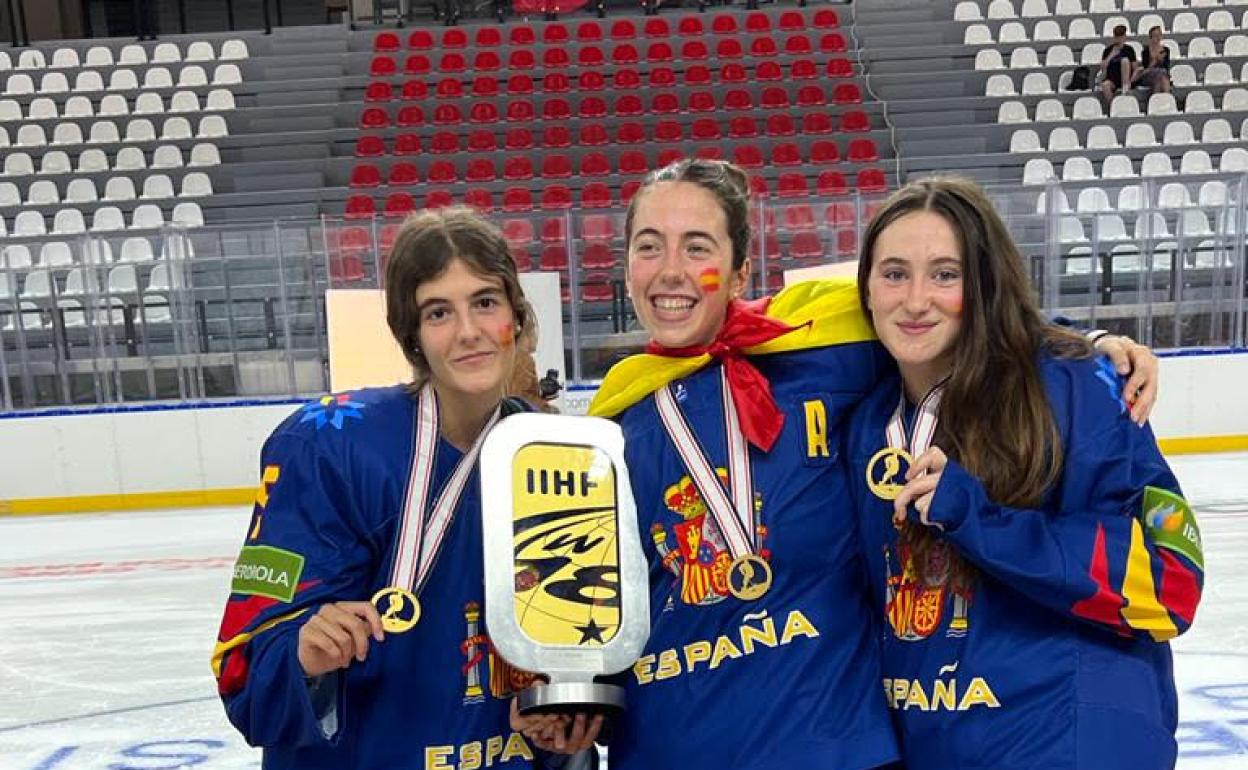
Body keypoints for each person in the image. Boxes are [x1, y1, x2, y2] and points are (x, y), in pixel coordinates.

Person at [581, 159, 1160, 769]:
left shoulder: (821, 344)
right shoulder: (607, 425)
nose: (671, 270)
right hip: (673, 745)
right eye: (649, 247)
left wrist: (1081, 346)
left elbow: (963, 318)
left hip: (842, 748)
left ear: (739, 270)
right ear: (625, 267)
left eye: (696, 246)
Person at [211, 207, 597, 769]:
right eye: (438, 312)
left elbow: (579, 649)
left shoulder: (557, 456)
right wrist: (304, 650)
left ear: (516, 314)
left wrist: (561, 710)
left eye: (485, 302)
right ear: (411, 336)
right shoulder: (328, 446)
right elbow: (244, 665)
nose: (468, 331)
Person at [846, 177, 1203, 769]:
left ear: (986, 283)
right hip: (937, 745)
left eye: (945, 274)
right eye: (893, 273)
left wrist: (981, 518)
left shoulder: (1080, 387)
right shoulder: (865, 423)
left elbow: (1171, 584)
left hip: (1068, 745)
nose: (914, 300)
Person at [1099, 24, 1138, 101]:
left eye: (1121, 37)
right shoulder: (1108, 50)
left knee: (1124, 60)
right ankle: (1113, 106)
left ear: (1124, 37)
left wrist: (1131, 81)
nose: (1119, 39)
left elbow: (1135, 68)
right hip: (1112, 79)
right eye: (1117, 37)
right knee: (1105, 85)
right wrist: (1112, 54)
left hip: (1126, 79)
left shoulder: (1129, 50)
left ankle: (1125, 88)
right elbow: (1103, 67)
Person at [1133, 25, 1172, 95]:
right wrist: (1155, 60)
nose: (1157, 38)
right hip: (1148, 76)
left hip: (1161, 76)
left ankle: (1159, 101)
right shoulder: (1146, 51)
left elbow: (1166, 67)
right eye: (1155, 36)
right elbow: (1146, 69)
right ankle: (1167, 99)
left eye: (1159, 35)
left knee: (1160, 79)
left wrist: (1162, 61)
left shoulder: (1166, 50)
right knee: (1161, 75)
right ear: (1151, 37)